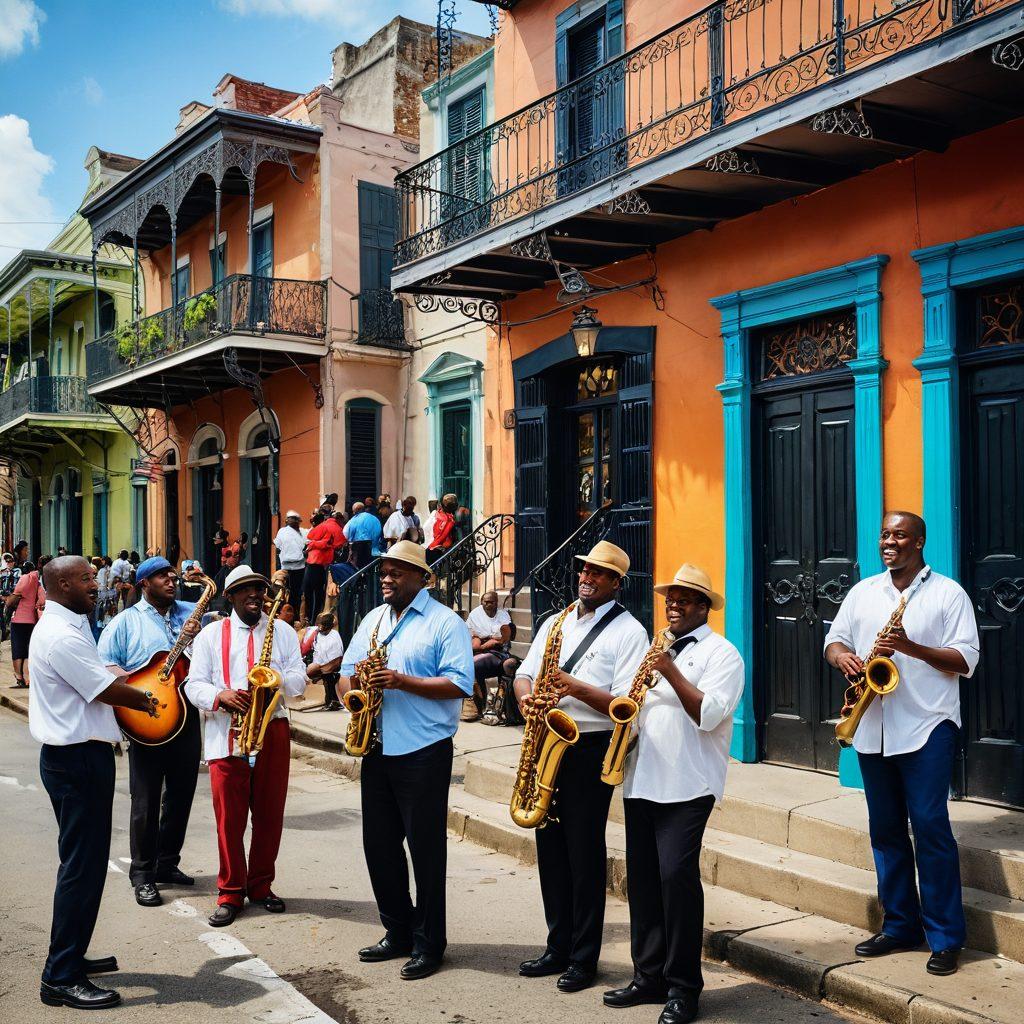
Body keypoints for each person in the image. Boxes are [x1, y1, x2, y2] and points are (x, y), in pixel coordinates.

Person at [824, 511, 979, 977]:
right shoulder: (863, 592)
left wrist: (911, 648)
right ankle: (899, 926)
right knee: (886, 830)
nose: (889, 542)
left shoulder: (949, 593)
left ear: (920, 541)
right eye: (885, 535)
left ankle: (945, 938)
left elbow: (965, 660)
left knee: (930, 828)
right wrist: (843, 657)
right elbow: (833, 640)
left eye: (900, 535)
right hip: (873, 726)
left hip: (927, 726)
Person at [603, 564, 744, 1024]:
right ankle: (648, 977)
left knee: (676, 879)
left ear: (705, 607)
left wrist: (669, 670)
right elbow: (631, 705)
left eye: (685, 599)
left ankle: (684, 988)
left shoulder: (723, 654)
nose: (674, 606)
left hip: (689, 783)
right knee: (643, 882)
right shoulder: (654, 648)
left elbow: (709, 715)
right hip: (642, 778)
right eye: (671, 599)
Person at [514, 541, 649, 993]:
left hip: (589, 747)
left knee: (583, 853)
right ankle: (557, 946)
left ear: (616, 583)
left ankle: (583, 958)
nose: (587, 578)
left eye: (598, 573)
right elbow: (524, 674)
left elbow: (625, 706)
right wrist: (526, 699)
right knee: (550, 848)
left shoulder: (629, 631)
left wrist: (573, 686)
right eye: (584, 570)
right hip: (546, 738)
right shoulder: (555, 622)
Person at [29, 555, 161, 1010]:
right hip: (77, 760)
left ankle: (71, 954)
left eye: (92, 576)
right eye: (85, 578)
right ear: (62, 584)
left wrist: (116, 675)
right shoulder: (61, 635)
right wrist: (148, 699)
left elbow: (98, 674)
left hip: (80, 757)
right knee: (82, 868)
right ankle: (60, 977)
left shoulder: (71, 623)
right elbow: (103, 690)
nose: (95, 583)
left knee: (82, 864)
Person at [339, 540, 474, 980]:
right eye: (384, 571)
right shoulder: (375, 619)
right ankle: (397, 931)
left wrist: (401, 681)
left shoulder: (445, 622)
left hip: (423, 749)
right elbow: (346, 672)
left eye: (397, 571)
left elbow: (460, 683)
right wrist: (353, 697)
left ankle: (429, 943)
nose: (387, 578)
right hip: (377, 745)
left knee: (425, 851)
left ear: (422, 577)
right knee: (378, 846)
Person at [185, 565, 307, 926]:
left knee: (270, 816)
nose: (255, 594)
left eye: (258, 588)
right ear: (230, 596)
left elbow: (299, 681)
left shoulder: (282, 631)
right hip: (226, 732)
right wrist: (219, 695)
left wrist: (276, 680)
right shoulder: (210, 635)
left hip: (272, 728)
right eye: (244, 589)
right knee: (229, 821)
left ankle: (261, 886)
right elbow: (194, 685)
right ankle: (230, 892)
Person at [98, 557, 203, 909]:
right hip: (146, 716)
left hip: (187, 714)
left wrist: (203, 632)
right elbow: (105, 664)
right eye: (161, 577)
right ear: (144, 583)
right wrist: (141, 688)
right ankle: (142, 874)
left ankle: (167, 863)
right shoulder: (125, 622)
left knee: (182, 795)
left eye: (172, 576)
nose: (171, 581)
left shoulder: (190, 613)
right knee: (145, 799)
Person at [463, 590, 513, 723]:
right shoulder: (475, 614)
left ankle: (480, 705)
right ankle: (475, 704)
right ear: (481, 602)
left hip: (497, 651)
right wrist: (480, 641)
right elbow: (470, 634)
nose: (488, 604)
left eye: (492, 602)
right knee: (469, 664)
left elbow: (503, 637)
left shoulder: (503, 615)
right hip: (479, 648)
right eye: (486, 602)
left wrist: (491, 641)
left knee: (473, 663)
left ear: (497, 603)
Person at [9, 556, 49, 687]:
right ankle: (27, 678)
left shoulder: (26, 578)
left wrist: (8, 602)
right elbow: (42, 599)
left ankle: (19, 676)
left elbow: (14, 597)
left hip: (19, 618)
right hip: (33, 620)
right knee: (27, 650)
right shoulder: (40, 581)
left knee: (17, 649)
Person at [303, 512, 345, 624]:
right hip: (322, 564)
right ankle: (314, 619)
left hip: (314, 563)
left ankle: (310, 618)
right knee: (318, 594)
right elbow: (337, 543)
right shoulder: (336, 528)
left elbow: (312, 538)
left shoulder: (324, 526)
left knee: (310, 593)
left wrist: (312, 544)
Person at [304, 610, 344, 710]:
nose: (321, 628)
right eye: (320, 625)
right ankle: (330, 701)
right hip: (321, 665)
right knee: (326, 682)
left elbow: (337, 656)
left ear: (329, 626)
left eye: (324, 626)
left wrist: (325, 667)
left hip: (332, 665)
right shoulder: (318, 635)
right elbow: (317, 651)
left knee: (329, 681)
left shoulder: (334, 635)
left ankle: (333, 702)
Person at [274, 510, 308, 604]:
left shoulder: (303, 532)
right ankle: (285, 607)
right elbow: (278, 546)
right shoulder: (282, 531)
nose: (294, 521)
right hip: (286, 566)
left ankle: (293, 608)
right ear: (287, 520)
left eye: (295, 519)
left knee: (296, 591)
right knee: (283, 590)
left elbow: (307, 544)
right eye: (291, 519)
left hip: (299, 566)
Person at [345, 501, 383, 569]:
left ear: (357, 510)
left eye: (354, 511)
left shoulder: (355, 519)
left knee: (360, 569)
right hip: (375, 550)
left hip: (360, 548)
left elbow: (347, 532)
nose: (353, 513)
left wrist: (350, 546)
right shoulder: (375, 518)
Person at [426, 494, 459, 566]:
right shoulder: (447, 520)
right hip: (435, 550)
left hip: (434, 549)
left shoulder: (439, 515)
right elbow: (441, 537)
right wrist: (431, 547)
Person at [0, 550, 21, 642]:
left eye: (11, 561)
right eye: (6, 561)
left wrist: (9, 574)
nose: (9, 563)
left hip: (12, 598)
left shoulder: (17, 571)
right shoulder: (1, 572)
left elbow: (16, 587)